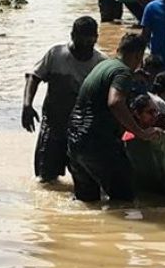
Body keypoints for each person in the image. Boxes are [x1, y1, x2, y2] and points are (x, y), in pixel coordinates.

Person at [67, 33, 159, 202]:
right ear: (139, 56)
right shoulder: (122, 72)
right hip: (98, 143)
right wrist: (140, 133)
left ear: (119, 50)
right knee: (124, 200)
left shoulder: (104, 65)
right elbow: (115, 102)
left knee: (87, 202)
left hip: (75, 142)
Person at [23, 17, 106, 183]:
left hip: (84, 128)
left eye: (89, 41)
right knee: (45, 179)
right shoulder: (56, 55)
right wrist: (27, 105)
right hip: (54, 123)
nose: (84, 46)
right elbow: (34, 77)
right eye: (80, 40)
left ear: (96, 38)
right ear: (72, 35)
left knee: (87, 180)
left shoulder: (101, 63)